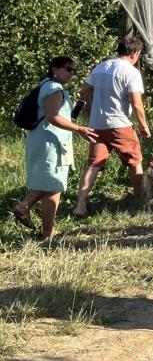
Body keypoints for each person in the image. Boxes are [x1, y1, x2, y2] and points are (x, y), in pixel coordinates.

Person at [13, 57, 97, 237]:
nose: (71, 73)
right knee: (53, 187)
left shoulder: (47, 85)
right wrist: (79, 129)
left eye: (74, 70)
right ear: (54, 69)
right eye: (68, 69)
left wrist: (73, 108)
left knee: (47, 183)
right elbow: (52, 117)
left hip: (44, 141)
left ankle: (23, 207)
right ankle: (48, 232)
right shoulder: (54, 88)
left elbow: (55, 114)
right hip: (49, 143)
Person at [72, 37, 151, 217]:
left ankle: (80, 205)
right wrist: (143, 125)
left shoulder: (100, 67)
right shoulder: (131, 72)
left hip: (96, 125)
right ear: (135, 53)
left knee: (93, 164)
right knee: (135, 161)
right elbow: (137, 104)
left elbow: (84, 93)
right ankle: (141, 200)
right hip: (120, 124)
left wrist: (80, 114)